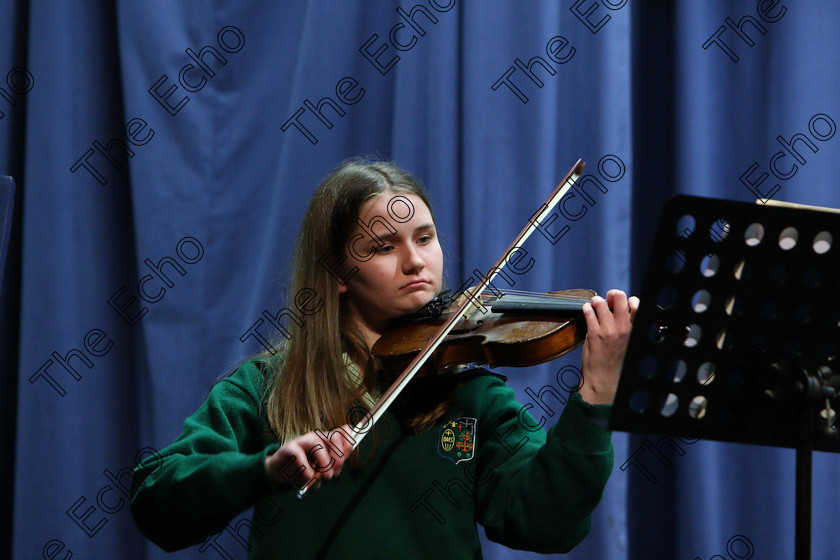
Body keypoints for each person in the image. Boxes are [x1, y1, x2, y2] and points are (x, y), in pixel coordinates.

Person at [130, 158, 639, 558]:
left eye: (425, 238)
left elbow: (549, 525)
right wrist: (263, 471)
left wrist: (596, 394)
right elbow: (157, 504)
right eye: (383, 247)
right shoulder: (265, 386)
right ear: (337, 273)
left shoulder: (473, 396)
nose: (416, 260)